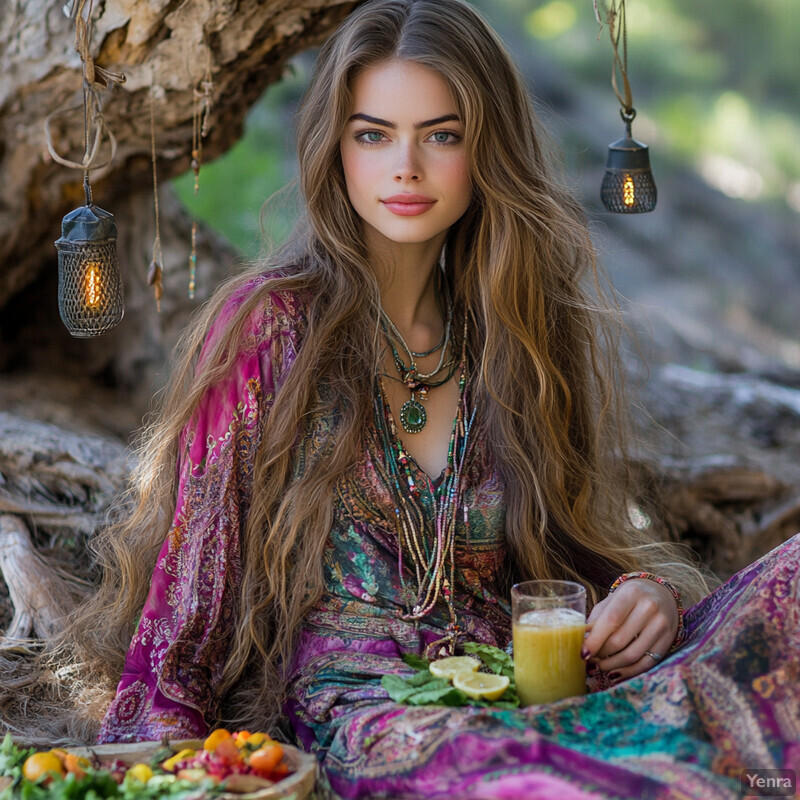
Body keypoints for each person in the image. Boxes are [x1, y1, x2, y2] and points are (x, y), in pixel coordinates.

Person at [67, 0, 799, 797]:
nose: (405, 167)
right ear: (333, 148)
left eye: (441, 135)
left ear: (485, 148)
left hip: (540, 685)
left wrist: (643, 595)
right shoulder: (270, 328)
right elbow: (189, 608)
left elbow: (566, 562)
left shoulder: (518, 331)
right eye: (373, 134)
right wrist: (164, 770)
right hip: (379, 716)